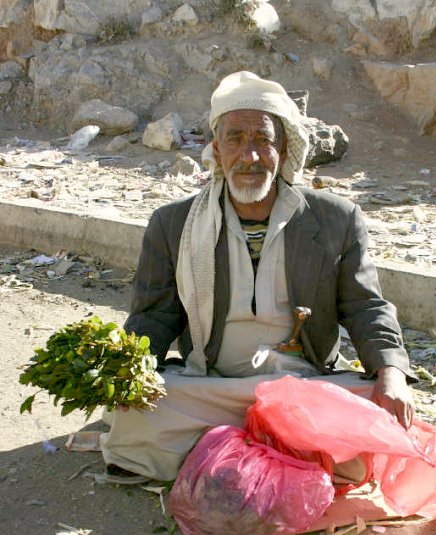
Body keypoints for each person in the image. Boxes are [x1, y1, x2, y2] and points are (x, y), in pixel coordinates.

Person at [100, 71, 416, 481]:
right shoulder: (172, 224)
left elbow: (364, 306)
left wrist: (391, 374)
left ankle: (226, 449)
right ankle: (273, 448)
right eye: (234, 139)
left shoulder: (336, 219)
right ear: (216, 148)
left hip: (304, 386)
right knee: (137, 413)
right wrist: (131, 371)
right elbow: (154, 317)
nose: (249, 156)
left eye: (263, 140)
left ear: (284, 150)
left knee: (380, 404)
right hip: (210, 385)